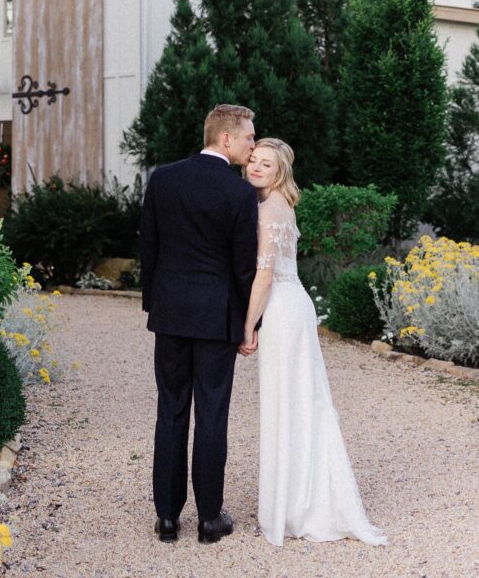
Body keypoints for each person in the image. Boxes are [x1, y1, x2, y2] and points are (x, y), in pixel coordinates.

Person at [239, 137, 387, 547]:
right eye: (254, 160)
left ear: (280, 171)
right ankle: (297, 498)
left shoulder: (269, 209)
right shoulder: (280, 206)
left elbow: (264, 274)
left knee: (286, 402)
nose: (256, 167)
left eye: (266, 164)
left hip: (281, 309)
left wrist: (248, 325)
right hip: (294, 304)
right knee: (301, 401)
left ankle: (295, 506)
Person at [140, 104, 258, 544]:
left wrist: (157, 304)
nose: (252, 144)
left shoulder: (164, 178)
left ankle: (167, 518)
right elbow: (244, 266)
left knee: (170, 409)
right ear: (225, 139)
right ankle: (210, 518)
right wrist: (252, 322)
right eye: (248, 136)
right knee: (212, 413)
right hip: (217, 315)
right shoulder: (239, 193)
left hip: (170, 313)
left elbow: (148, 247)